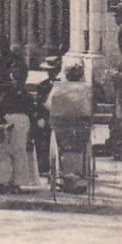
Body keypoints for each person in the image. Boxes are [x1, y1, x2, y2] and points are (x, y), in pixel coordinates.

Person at [0, 67, 40, 194]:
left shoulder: (7, 93)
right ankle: (15, 182)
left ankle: (5, 181)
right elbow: (32, 113)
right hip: (21, 123)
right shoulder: (25, 95)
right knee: (18, 153)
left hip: (11, 122)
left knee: (6, 153)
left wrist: (1, 123)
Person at [45, 63, 94, 193]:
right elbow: (92, 107)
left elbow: (49, 105)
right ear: (81, 75)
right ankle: (80, 179)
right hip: (81, 126)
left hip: (61, 125)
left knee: (60, 149)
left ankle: (61, 179)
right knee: (81, 149)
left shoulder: (58, 88)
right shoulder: (87, 88)